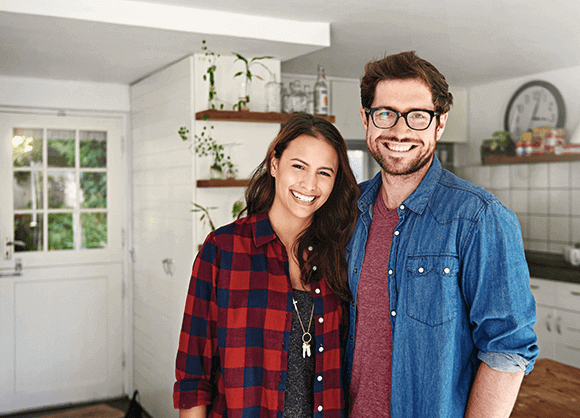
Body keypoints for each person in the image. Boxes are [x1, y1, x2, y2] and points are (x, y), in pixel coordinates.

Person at [344, 51, 539, 418]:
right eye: (385, 113)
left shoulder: (479, 217)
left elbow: (508, 348)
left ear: (439, 123)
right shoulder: (349, 211)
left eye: (417, 116)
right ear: (366, 121)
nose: (400, 131)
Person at [174, 114, 359, 418]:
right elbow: (193, 373)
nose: (309, 184)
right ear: (275, 164)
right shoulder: (222, 249)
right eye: (298, 166)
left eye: (324, 173)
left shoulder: (340, 254)